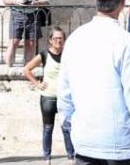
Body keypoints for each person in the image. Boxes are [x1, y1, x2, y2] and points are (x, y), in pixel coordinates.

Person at [58, 0, 130, 165]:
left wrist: (72, 127)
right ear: (122, 3)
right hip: (121, 145)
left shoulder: (74, 39)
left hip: (85, 141)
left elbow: (64, 94)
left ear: (95, 0)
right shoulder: (126, 42)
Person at [23, 26, 75, 165]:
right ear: (50, 40)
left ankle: (71, 156)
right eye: (56, 38)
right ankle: (47, 158)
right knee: (47, 128)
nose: (59, 41)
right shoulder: (44, 54)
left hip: (64, 98)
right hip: (48, 97)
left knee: (67, 128)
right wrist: (37, 84)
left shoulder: (68, 55)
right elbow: (26, 69)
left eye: (61, 38)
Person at [3, 0, 51, 67]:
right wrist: (16, 2)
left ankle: (28, 67)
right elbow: (5, 0)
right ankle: (8, 66)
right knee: (14, 41)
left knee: (31, 42)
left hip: (34, 13)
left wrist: (37, 2)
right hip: (17, 13)